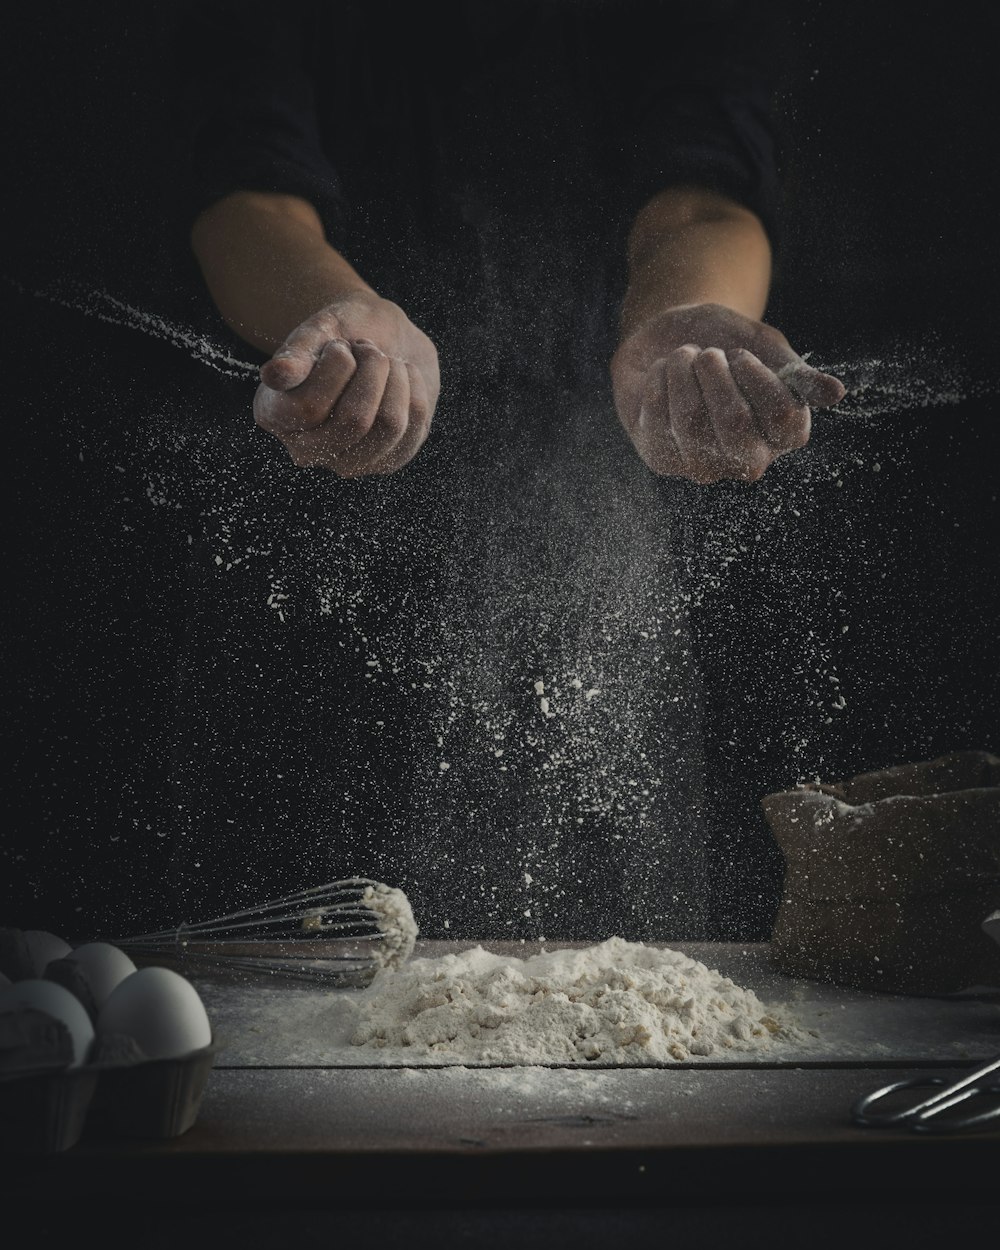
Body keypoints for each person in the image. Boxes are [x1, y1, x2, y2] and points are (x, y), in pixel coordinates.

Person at [176, 0, 845, 485]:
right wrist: (334, 316)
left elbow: (705, 197)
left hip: (613, 467)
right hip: (311, 478)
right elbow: (248, 193)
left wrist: (684, 321)